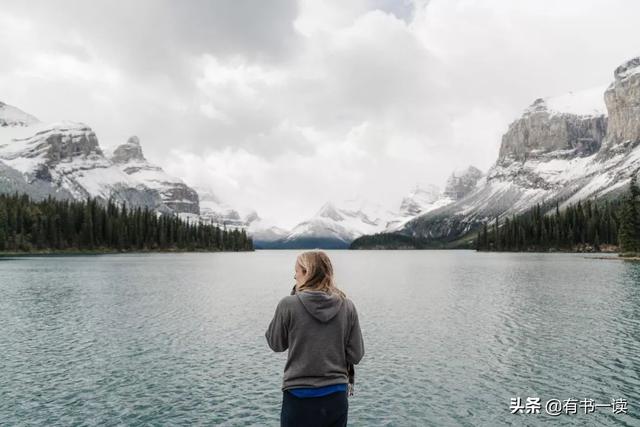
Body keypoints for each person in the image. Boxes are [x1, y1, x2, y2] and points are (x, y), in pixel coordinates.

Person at [266, 250, 365, 427]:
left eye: (296, 271)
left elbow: (276, 344)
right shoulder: (347, 305)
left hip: (299, 397)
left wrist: (293, 298)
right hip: (336, 396)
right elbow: (356, 355)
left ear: (307, 272)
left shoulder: (288, 304)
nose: (294, 276)